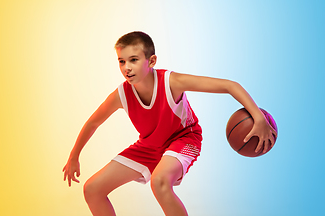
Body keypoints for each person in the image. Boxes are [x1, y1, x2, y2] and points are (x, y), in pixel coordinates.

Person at [63, 31, 277, 216]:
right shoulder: (121, 95)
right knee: (92, 189)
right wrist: (74, 156)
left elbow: (230, 85)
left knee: (160, 182)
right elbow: (93, 123)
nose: (126, 67)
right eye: (121, 61)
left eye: (134, 60)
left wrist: (258, 117)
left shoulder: (171, 82)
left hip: (183, 138)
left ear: (151, 61)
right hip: (149, 145)